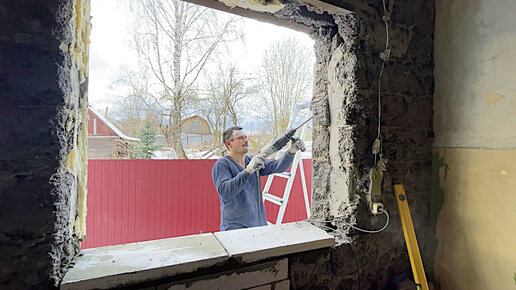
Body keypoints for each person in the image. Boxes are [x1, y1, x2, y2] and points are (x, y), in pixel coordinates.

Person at [211, 126, 306, 231]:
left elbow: (279, 166)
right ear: (229, 144)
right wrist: (248, 171)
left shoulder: (251, 160)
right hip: (235, 230)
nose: (246, 140)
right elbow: (225, 192)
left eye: (246, 137)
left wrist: (291, 152)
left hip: (258, 227)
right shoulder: (222, 165)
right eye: (241, 138)